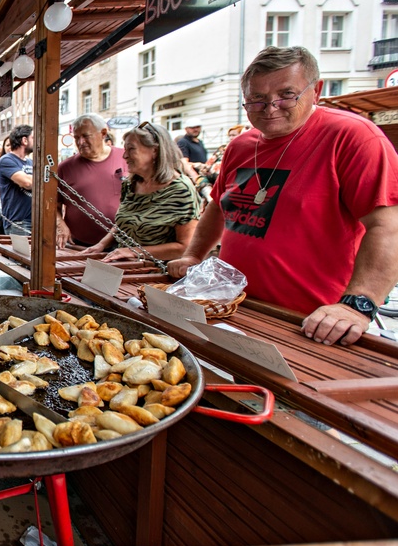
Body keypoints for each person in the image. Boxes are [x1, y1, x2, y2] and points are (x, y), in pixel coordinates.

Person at [168, 45, 398, 347]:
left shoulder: (352, 137)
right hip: (233, 309)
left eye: (286, 95)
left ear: (315, 90)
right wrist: (194, 255)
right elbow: (218, 208)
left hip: (311, 323)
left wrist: (357, 305)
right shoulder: (240, 146)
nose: (271, 107)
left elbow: (387, 227)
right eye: (257, 100)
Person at [84, 122, 199, 261]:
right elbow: (124, 223)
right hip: (126, 269)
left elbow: (185, 247)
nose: (125, 156)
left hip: (158, 277)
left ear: (155, 151)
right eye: (125, 149)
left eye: (131, 149)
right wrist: (101, 244)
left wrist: (134, 251)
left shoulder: (181, 190)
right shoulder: (130, 184)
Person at [56, 114, 127, 248]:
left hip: (122, 244)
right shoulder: (65, 168)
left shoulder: (125, 158)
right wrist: (60, 224)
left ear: (103, 133)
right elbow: (53, 204)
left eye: (86, 136)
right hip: (79, 245)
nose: (80, 142)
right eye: (76, 137)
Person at [0, 125, 34, 235]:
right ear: (24, 140)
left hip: (33, 220)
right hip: (18, 222)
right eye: (33, 138)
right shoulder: (7, 160)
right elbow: (27, 183)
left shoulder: (30, 162)